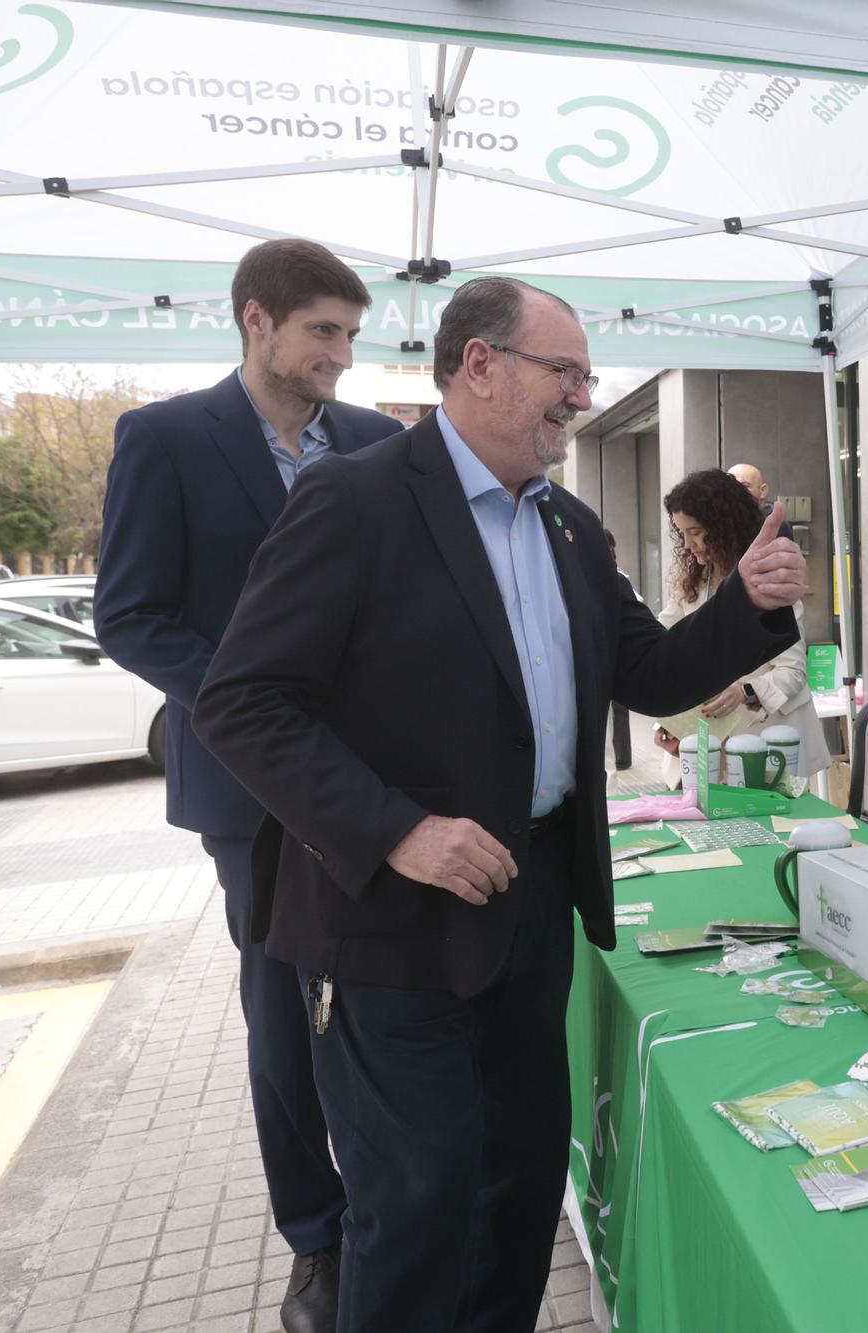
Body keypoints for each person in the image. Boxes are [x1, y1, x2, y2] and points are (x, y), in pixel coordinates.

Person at [191, 276, 805, 1331]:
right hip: (389, 927)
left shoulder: (569, 524)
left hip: (530, 911)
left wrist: (745, 603)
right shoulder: (354, 501)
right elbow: (241, 704)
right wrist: (398, 831)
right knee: (418, 1201)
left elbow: (650, 673)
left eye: (582, 374)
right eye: (562, 372)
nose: (580, 395)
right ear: (480, 366)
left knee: (517, 1191)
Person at [92, 238, 400, 1331]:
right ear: (256, 320)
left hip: (377, 780)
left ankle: (388, 1213)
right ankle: (314, 1239)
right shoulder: (167, 438)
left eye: (353, 336)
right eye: (324, 331)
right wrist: (246, 702)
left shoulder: (371, 442)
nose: (342, 357)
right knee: (282, 1012)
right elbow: (127, 615)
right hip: (250, 790)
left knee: (379, 997)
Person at [651, 468, 829, 780]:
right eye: (681, 533)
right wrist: (665, 720)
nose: (688, 544)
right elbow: (660, 650)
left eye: (694, 531)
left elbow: (793, 672)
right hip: (705, 749)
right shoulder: (690, 584)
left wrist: (744, 691)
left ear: (721, 527)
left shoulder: (769, 585)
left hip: (767, 747)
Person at [605, 528, 635, 769]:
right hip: (609, 664)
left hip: (620, 662)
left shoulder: (619, 581)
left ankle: (623, 758)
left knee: (619, 714)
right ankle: (622, 759)